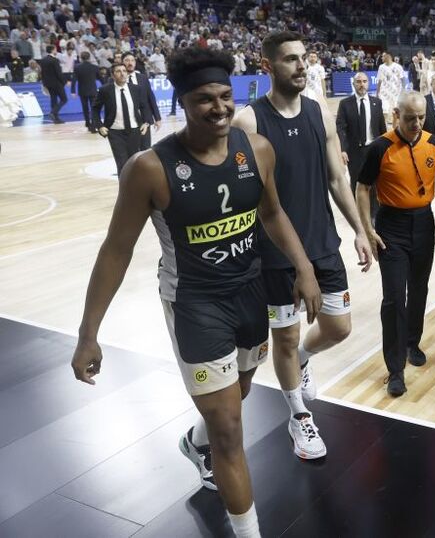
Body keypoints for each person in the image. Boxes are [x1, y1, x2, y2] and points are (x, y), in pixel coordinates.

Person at [71, 46, 322, 538]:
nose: (219, 108)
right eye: (205, 99)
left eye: (226, 96)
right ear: (181, 102)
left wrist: (304, 267)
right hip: (195, 305)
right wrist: (88, 333)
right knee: (229, 430)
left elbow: (271, 214)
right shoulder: (149, 167)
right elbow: (115, 251)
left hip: (250, 293)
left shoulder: (257, 149)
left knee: (241, 393)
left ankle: (194, 441)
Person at [233, 31, 373, 460]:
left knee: (338, 327)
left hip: (323, 244)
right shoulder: (249, 121)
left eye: (304, 58)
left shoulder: (319, 112)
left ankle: (305, 362)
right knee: (286, 340)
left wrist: (360, 228)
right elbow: (248, 199)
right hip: (275, 256)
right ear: (268, 67)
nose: (301, 66)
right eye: (290, 59)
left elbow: (336, 178)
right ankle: (299, 418)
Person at [356, 92, 435, 397]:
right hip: (391, 227)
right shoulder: (380, 147)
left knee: (419, 289)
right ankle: (395, 369)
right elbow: (361, 188)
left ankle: (412, 341)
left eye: (421, 117)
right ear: (396, 114)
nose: (416, 123)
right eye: (410, 118)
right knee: (395, 297)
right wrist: (367, 229)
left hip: (423, 222)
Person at [336, 71, 387, 213]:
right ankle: (358, 211)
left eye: (364, 81)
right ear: (353, 84)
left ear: (369, 83)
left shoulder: (377, 102)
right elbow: (340, 128)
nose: (361, 84)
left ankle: (375, 212)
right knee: (357, 181)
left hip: (374, 148)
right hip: (355, 150)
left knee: (376, 181)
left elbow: (382, 127)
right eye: (358, 82)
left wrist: (386, 148)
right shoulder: (345, 104)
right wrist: (342, 149)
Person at [95, 63, 154, 173]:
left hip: (134, 130)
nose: (122, 74)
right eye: (118, 71)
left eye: (124, 71)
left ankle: (136, 188)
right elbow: (95, 109)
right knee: (122, 164)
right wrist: (100, 126)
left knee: (134, 162)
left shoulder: (136, 89)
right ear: (112, 75)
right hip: (115, 132)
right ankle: (125, 189)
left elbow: (144, 106)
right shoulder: (105, 90)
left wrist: (146, 122)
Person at [124, 52, 161, 149]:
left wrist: (157, 118)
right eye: (127, 60)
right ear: (122, 63)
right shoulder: (119, 80)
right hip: (128, 120)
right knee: (132, 149)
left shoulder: (143, 77)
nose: (130, 63)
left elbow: (151, 97)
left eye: (132, 60)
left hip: (145, 119)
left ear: (135, 63)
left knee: (146, 148)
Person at [73, 51, 102, 132]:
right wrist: (105, 86)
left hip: (82, 91)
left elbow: (74, 80)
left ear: (81, 58)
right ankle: (93, 126)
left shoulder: (77, 67)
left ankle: (87, 122)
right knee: (93, 108)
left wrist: (72, 91)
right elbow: (100, 78)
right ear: (89, 58)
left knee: (85, 108)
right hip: (92, 90)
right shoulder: (95, 67)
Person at [376, 51, 406, 126]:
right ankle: (384, 128)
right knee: (384, 111)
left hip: (396, 93)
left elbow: (403, 79)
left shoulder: (398, 67)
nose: (382, 57)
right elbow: (379, 80)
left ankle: (395, 129)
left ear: (389, 56)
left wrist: (403, 90)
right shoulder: (381, 67)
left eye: (383, 56)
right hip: (384, 93)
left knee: (395, 113)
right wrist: (377, 93)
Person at [39, 45, 66, 123]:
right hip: (56, 83)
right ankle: (53, 112)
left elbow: (42, 73)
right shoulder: (55, 60)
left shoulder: (43, 60)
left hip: (48, 83)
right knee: (64, 99)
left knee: (53, 99)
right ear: (52, 50)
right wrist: (64, 81)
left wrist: (44, 83)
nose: (56, 51)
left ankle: (55, 118)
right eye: (55, 49)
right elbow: (58, 73)